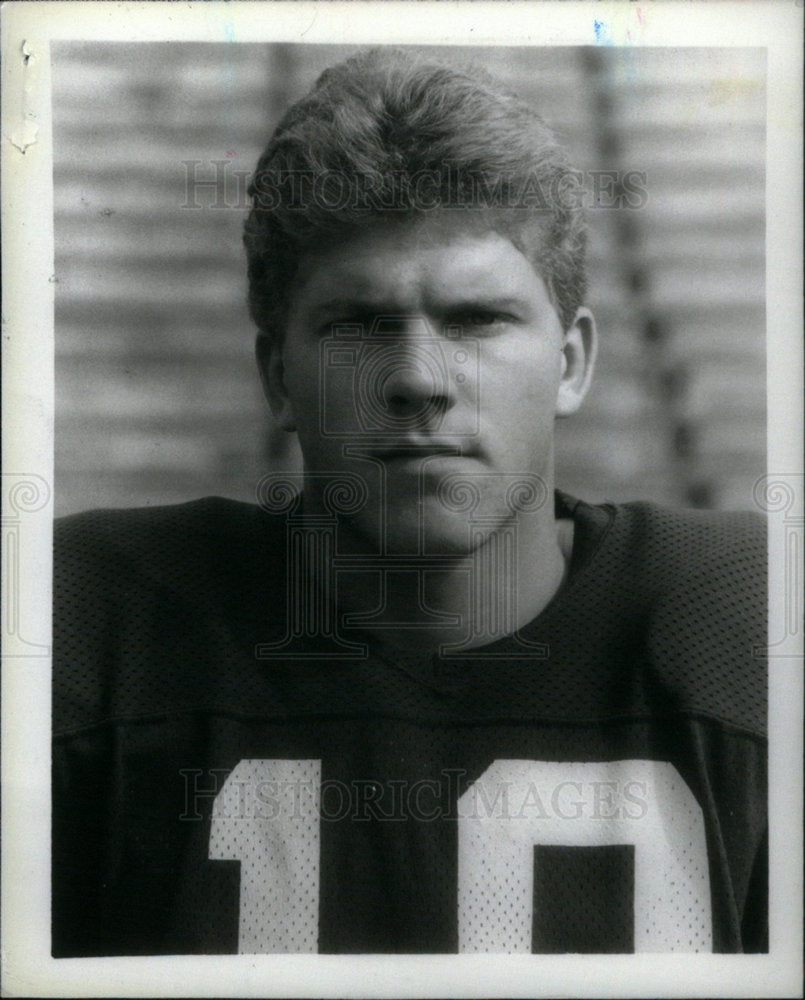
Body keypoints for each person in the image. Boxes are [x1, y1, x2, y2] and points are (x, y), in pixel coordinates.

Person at [52, 48, 767, 956]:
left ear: (572, 362)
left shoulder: (738, 621)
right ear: (278, 374)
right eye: (358, 325)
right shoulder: (97, 627)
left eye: (476, 319)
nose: (417, 380)